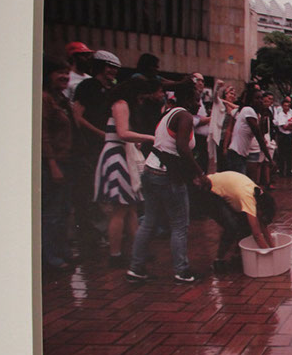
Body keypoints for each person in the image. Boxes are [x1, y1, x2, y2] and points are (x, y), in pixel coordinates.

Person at [127, 84, 209, 284]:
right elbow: (182, 148)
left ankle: (135, 268)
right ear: (187, 99)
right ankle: (182, 271)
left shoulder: (169, 113)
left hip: (150, 170)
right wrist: (199, 173)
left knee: (149, 221)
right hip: (167, 175)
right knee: (180, 224)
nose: (199, 104)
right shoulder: (185, 116)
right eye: (196, 99)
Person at [93, 79, 155, 267]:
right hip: (117, 157)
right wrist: (149, 137)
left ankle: (135, 250)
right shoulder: (121, 104)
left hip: (121, 155)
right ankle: (115, 254)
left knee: (130, 207)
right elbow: (122, 133)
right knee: (121, 208)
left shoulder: (120, 104)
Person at [71, 50, 121, 245]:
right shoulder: (87, 86)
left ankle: (103, 231)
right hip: (89, 146)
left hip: (107, 146)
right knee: (89, 189)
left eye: (115, 68)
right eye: (109, 67)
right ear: (100, 67)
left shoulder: (111, 89)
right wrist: (100, 134)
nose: (113, 71)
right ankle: (89, 233)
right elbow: (77, 117)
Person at [41, 55, 75, 270]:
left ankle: (62, 252)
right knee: (52, 213)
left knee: (63, 211)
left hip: (67, 161)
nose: (64, 76)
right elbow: (43, 135)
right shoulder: (44, 99)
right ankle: (51, 258)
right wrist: (52, 164)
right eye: (59, 72)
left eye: (67, 73)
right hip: (53, 164)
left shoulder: (60, 99)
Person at [206, 171, 276, 273]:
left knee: (247, 223)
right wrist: (270, 257)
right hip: (209, 189)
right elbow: (257, 234)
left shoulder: (260, 195)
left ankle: (238, 255)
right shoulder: (249, 198)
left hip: (223, 186)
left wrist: (274, 250)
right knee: (232, 226)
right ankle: (219, 260)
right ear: (260, 208)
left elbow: (262, 226)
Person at [224, 84, 268, 176]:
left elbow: (262, 132)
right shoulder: (248, 111)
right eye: (257, 98)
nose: (260, 101)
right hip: (236, 155)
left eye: (261, 98)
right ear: (251, 100)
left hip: (239, 155)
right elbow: (258, 136)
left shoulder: (252, 113)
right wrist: (270, 159)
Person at [273, 97, 292, 177]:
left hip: (289, 135)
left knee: (289, 154)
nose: (287, 107)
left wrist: (291, 127)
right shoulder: (280, 114)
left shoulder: (290, 114)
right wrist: (290, 127)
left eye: (288, 106)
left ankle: (289, 171)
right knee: (281, 154)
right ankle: (281, 171)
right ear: (282, 106)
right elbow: (284, 127)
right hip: (282, 135)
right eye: (285, 106)